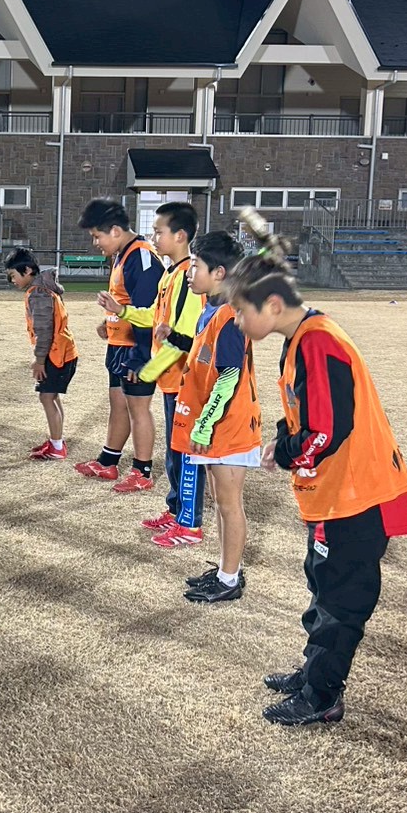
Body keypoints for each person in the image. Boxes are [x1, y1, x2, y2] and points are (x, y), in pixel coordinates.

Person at [224, 211, 407, 726]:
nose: (237, 322)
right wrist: (286, 443)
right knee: (321, 582)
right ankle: (313, 671)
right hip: (333, 495)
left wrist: (286, 451)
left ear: (271, 304)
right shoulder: (300, 339)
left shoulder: (319, 341)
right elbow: (308, 417)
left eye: (240, 312)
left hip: (357, 497)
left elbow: (326, 432)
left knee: (340, 599)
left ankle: (323, 694)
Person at [165, 231, 261, 600]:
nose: (190, 273)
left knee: (229, 504)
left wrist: (205, 425)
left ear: (219, 272)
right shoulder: (211, 308)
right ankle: (225, 570)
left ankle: (229, 581)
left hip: (228, 426)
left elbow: (229, 377)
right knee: (222, 504)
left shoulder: (229, 315)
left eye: (196, 266)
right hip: (217, 424)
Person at [102, 202, 201, 533]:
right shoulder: (170, 274)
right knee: (175, 450)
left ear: (180, 235)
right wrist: (122, 311)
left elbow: (183, 338)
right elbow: (154, 316)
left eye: (159, 232)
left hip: (185, 380)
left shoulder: (188, 277)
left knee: (185, 452)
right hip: (172, 380)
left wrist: (147, 369)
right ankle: (175, 509)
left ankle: (188, 521)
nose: (154, 237)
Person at [73, 198, 164, 492]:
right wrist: (110, 322)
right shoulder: (123, 254)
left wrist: (141, 357)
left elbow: (148, 314)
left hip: (136, 349)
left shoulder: (142, 257)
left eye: (96, 236)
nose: (95, 243)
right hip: (119, 344)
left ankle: (142, 471)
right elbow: (126, 303)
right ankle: (108, 461)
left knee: (139, 408)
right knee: (118, 404)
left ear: (114, 230)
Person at [4, 246, 78, 459]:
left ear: (27, 270)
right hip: (63, 352)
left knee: (47, 397)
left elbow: (44, 330)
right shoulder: (45, 288)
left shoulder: (38, 293)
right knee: (51, 396)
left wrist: (39, 360)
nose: (12, 281)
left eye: (13, 275)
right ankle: (56, 440)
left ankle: (57, 447)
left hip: (56, 355)